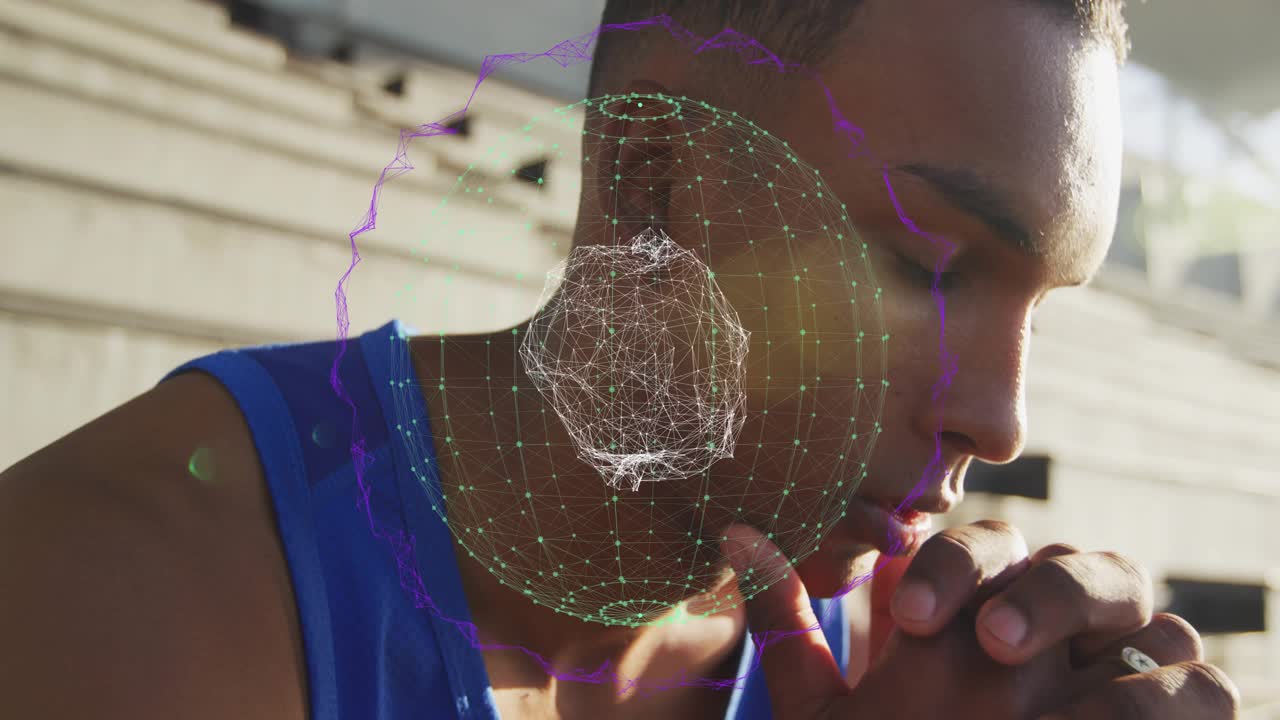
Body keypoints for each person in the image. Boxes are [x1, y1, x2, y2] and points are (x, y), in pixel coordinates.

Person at [0, 0, 1243, 718]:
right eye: (924, 263)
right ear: (648, 183)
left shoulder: (900, 664)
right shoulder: (121, 592)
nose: (1002, 418)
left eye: (1040, 304)